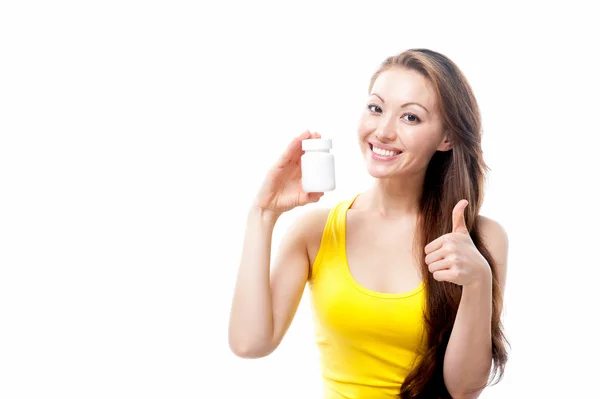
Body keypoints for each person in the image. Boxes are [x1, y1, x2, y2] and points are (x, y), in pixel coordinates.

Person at [228, 48, 509, 399]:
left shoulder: (479, 239)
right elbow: (249, 343)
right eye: (376, 108)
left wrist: (478, 280)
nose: (384, 131)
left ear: (446, 138)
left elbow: (464, 389)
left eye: (411, 118)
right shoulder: (315, 232)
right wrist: (262, 214)